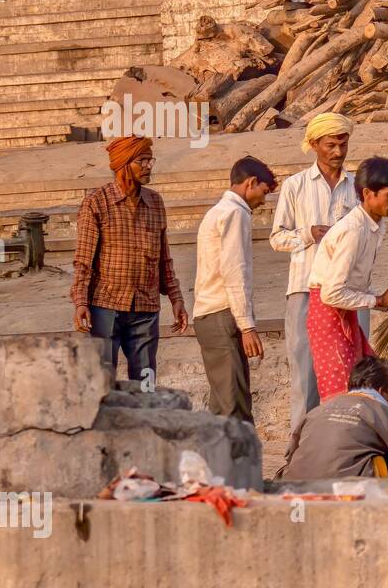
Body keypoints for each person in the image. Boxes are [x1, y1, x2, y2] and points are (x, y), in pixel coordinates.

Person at [270, 112, 370, 434]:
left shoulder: (358, 188)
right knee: (305, 376)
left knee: (356, 371)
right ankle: (299, 452)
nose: (338, 152)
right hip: (303, 289)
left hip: (350, 291)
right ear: (314, 145)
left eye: (343, 144)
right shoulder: (295, 186)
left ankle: (347, 442)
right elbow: (277, 238)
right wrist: (308, 234)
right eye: (331, 145)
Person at [71, 135, 187, 382]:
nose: (148, 166)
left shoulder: (155, 202)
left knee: (146, 381)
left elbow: (164, 257)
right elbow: (84, 259)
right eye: (141, 161)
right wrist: (81, 301)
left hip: (146, 308)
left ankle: (145, 421)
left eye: (149, 160)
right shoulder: (96, 203)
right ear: (124, 165)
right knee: (102, 382)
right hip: (106, 306)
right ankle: (105, 421)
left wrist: (176, 298)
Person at [305, 156, 388, 401]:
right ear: (368, 194)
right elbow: (331, 293)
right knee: (343, 394)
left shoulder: (374, 226)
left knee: (366, 385)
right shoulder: (353, 230)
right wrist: (380, 300)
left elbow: (353, 282)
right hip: (330, 318)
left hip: (345, 316)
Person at [192, 156, 277, 423]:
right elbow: (234, 270)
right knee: (233, 409)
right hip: (221, 314)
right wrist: (247, 326)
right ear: (251, 183)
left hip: (210, 315)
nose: (263, 201)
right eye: (263, 192)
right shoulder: (235, 213)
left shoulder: (219, 211)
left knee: (224, 406)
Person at [277, 355, 388, 480]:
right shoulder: (382, 412)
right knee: (383, 459)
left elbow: (290, 454)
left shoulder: (319, 410)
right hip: (347, 493)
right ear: (380, 391)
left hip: (294, 487)